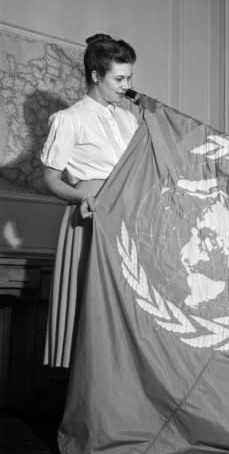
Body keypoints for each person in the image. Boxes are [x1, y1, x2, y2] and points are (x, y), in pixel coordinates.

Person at [40, 33, 139, 368]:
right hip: (90, 217)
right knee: (90, 308)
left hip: (126, 217)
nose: (126, 86)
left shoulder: (128, 119)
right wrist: (86, 195)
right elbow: (51, 180)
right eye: (119, 78)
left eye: (129, 78)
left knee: (124, 307)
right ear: (97, 76)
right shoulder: (68, 119)